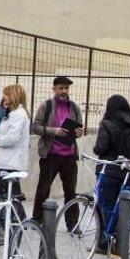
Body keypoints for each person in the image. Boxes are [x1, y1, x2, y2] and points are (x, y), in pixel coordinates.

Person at [92, 94, 130, 259]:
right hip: (128, 171)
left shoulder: (107, 124)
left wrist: (95, 148)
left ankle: (104, 243)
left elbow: (101, 147)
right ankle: (119, 245)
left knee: (105, 207)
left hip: (109, 170)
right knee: (122, 207)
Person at [31, 76, 84, 223]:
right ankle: (37, 219)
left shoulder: (74, 107)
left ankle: (72, 224)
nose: (64, 91)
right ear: (54, 89)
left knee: (71, 192)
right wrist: (53, 131)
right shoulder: (46, 106)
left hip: (69, 156)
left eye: (66, 88)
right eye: (61, 88)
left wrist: (79, 133)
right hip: (50, 155)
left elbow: (79, 129)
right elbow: (35, 127)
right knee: (43, 189)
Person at [0, 84, 30, 200]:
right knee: (5, 198)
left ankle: (17, 218)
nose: (3, 97)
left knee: (7, 199)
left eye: (7, 94)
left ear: (14, 96)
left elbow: (12, 138)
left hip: (10, 163)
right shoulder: (12, 114)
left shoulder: (18, 114)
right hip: (6, 162)